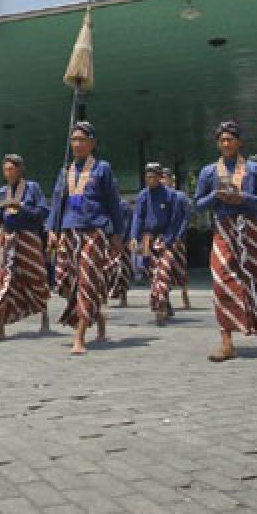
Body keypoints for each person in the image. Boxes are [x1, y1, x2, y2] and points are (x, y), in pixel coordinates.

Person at [194, 121, 257, 362]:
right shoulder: (208, 172)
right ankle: (226, 342)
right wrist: (216, 195)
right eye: (221, 140)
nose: (226, 143)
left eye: (230, 139)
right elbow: (198, 204)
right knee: (221, 280)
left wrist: (243, 197)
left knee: (254, 278)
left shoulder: (254, 170)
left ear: (239, 142)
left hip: (249, 227)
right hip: (223, 229)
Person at [47, 121, 126, 356]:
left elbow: (113, 203)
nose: (77, 144)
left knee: (87, 280)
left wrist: (117, 233)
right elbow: (57, 203)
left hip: (94, 231)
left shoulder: (102, 168)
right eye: (74, 139)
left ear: (92, 143)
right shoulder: (65, 171)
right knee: (67, 281)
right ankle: (97, 316)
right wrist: (51, 230)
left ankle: (79, 337)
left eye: (82, 139)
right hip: (69, 231)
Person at [0, 154, 51, 340]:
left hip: (28, 238)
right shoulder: (3, 191)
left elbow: (43, 212)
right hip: (8, 239)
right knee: (5, 281)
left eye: (11, 169)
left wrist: (20, 207)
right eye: (5, 170)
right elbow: (1, 217)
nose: (8, 173)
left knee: (36, 278)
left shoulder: (32, 188)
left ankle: (44, 314)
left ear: (20, 169)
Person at [131, 162, 185, 325]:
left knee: (163, 272)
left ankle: (160, 307)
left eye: (154, 177)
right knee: (153, 274)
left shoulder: (171, 195)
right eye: (148, 177)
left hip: (165, 238)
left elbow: (176, 219)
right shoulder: (143, 195)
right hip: (148, 238)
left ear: (160, 177)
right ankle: (163, 301)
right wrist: (134, 237)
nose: (151, 180)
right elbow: (138, 217)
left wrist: (170, 239)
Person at [161, 168, 193, 308]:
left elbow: (186, 218)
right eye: (161, 177)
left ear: (171, 180)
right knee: (163, 270)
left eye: (165, 177)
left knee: (180, 268)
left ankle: (185, 294)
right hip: (162, 240)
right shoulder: (156, 196)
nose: (163, 180)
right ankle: (164, 298)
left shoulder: (181, 197)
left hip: (178, 239)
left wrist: (179, 236)